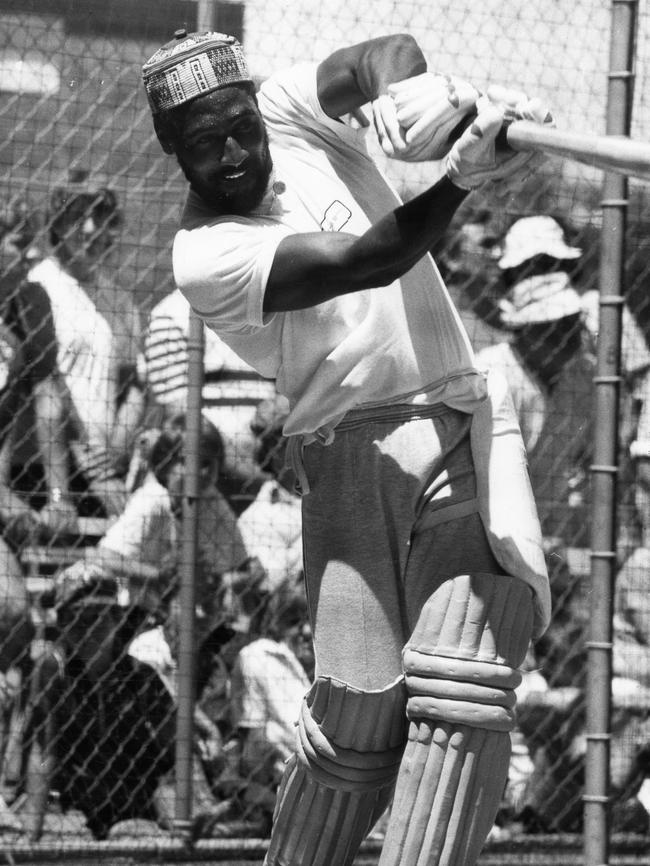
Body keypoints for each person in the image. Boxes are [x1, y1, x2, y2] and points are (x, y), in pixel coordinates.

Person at [142, 29, 553, 866]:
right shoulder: (203, 255)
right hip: (344, 456)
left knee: (462, 688)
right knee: (354, 732)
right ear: (172, 153)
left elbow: (380, 53)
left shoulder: (287, 112)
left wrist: (409, 100)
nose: (231, 154)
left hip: (444, 422)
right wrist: (461, 175)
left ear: (254, 108)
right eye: (202, 145)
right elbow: (372, 257)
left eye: (238, 128)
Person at [22, 186, 145, 518]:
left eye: (101, 218)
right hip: (47, 467)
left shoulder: (118, 299)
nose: (92, 229)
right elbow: (46, 383)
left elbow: (133, 381)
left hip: (106, 465)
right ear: (58, 226)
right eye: (79, 218)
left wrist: (116, 450)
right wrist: (94, 464)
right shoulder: (38, 287)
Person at [144, 286, 277, 512]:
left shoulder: (267, 304)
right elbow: (184, 426)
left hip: (275, 477)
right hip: (213, 486)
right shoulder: (168, 316)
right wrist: (263, 479)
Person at [237, 394, 303, 593]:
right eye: (288, 440)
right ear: (270, 452)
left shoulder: (345, 491)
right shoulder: (259, 517)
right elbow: (277, 586)